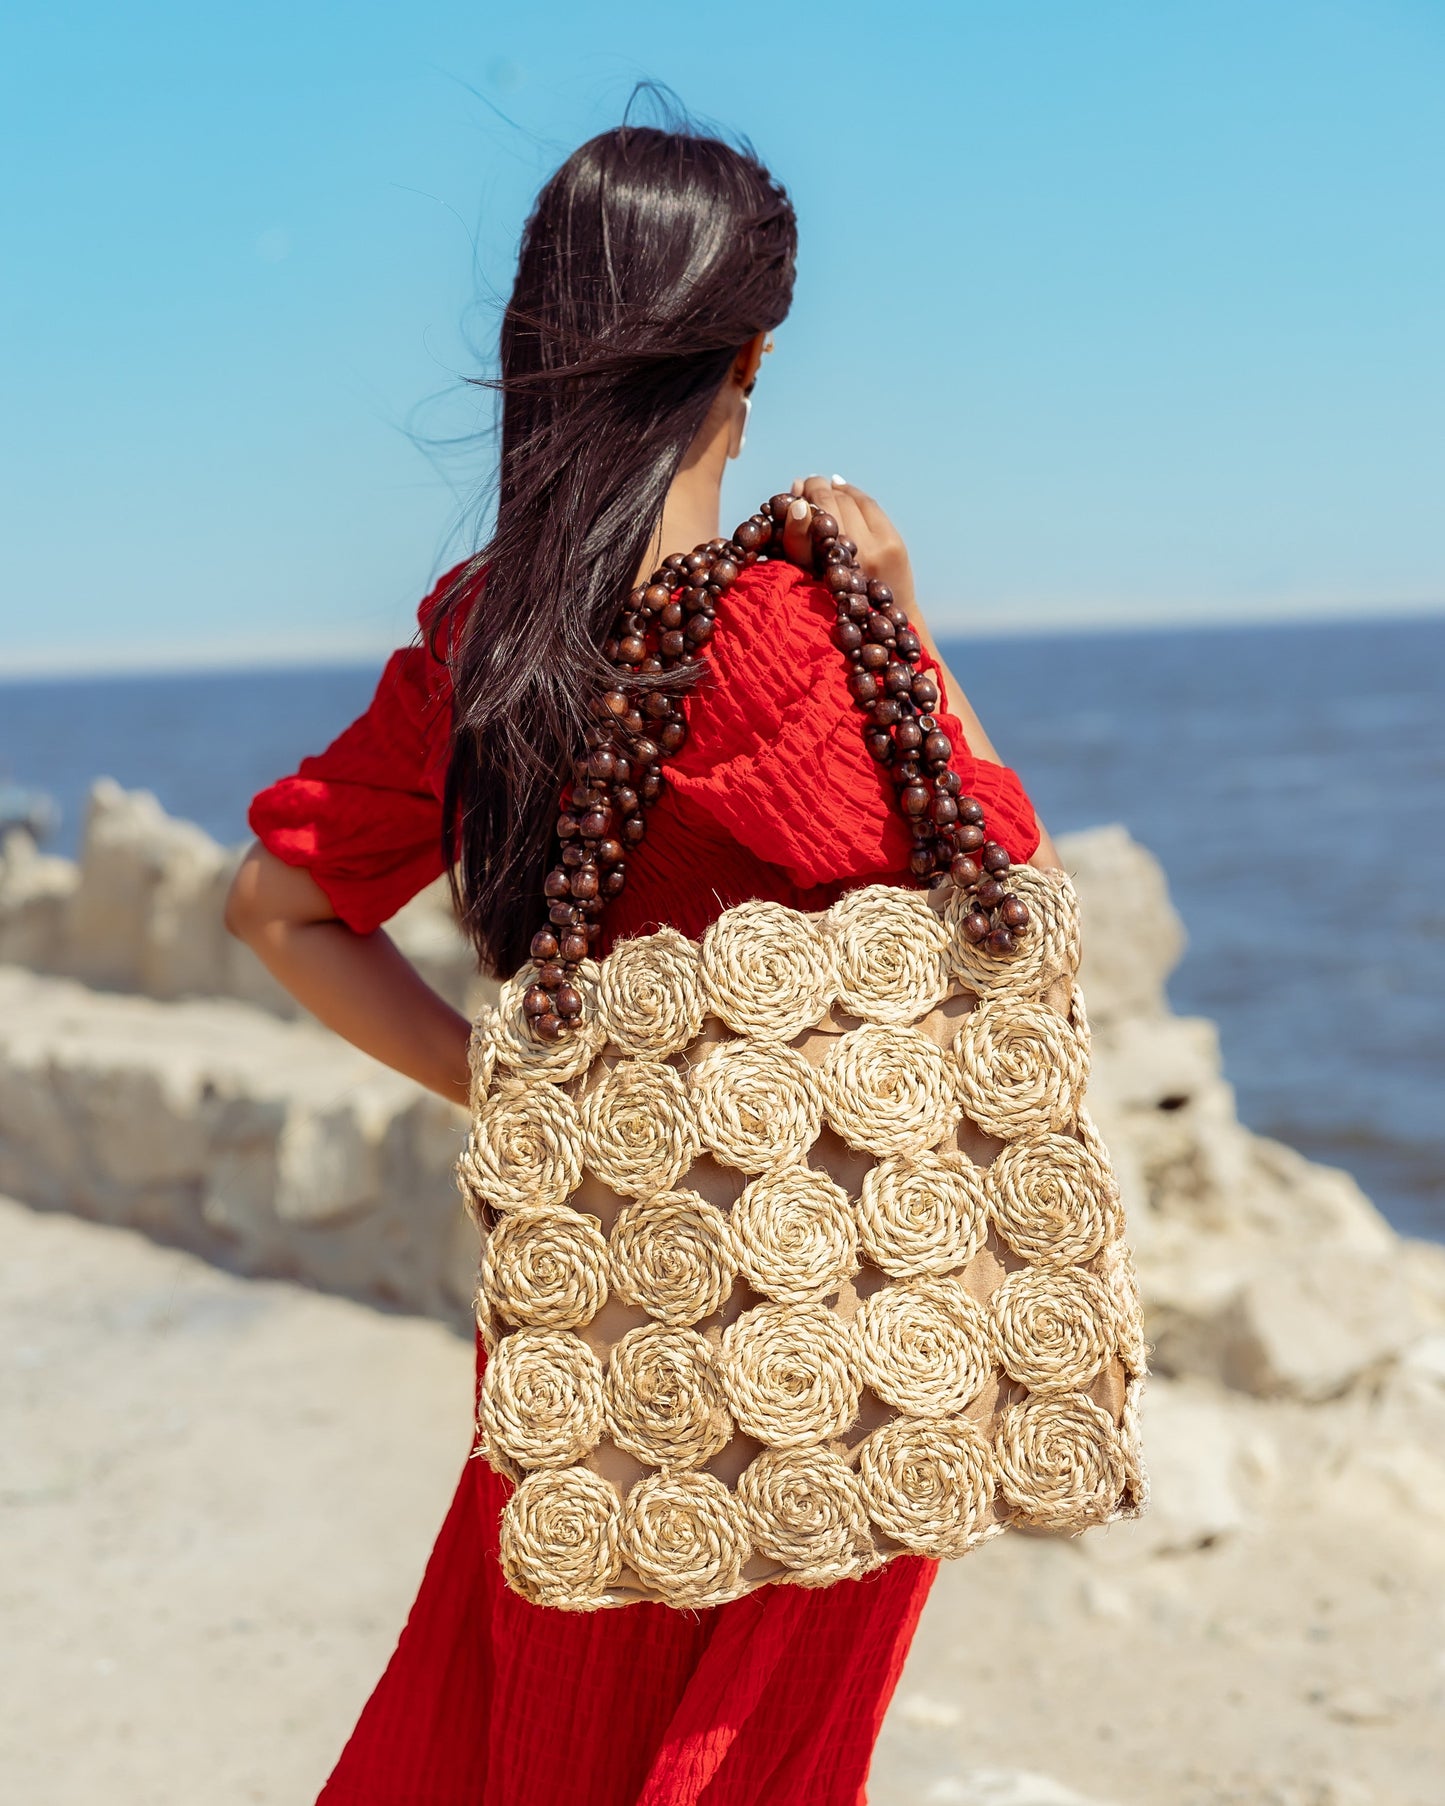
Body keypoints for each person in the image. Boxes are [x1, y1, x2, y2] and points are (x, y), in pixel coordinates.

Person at [226, 119, 1056, 1806]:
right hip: (837, 1299)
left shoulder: (483, 636)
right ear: (755, 348)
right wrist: (901, 611)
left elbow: (277, 906)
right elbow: (1000, 877)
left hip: (594, 1283)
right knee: (749, 1757)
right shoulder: (801, 629)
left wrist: (522, 1085)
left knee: (526, 1717)